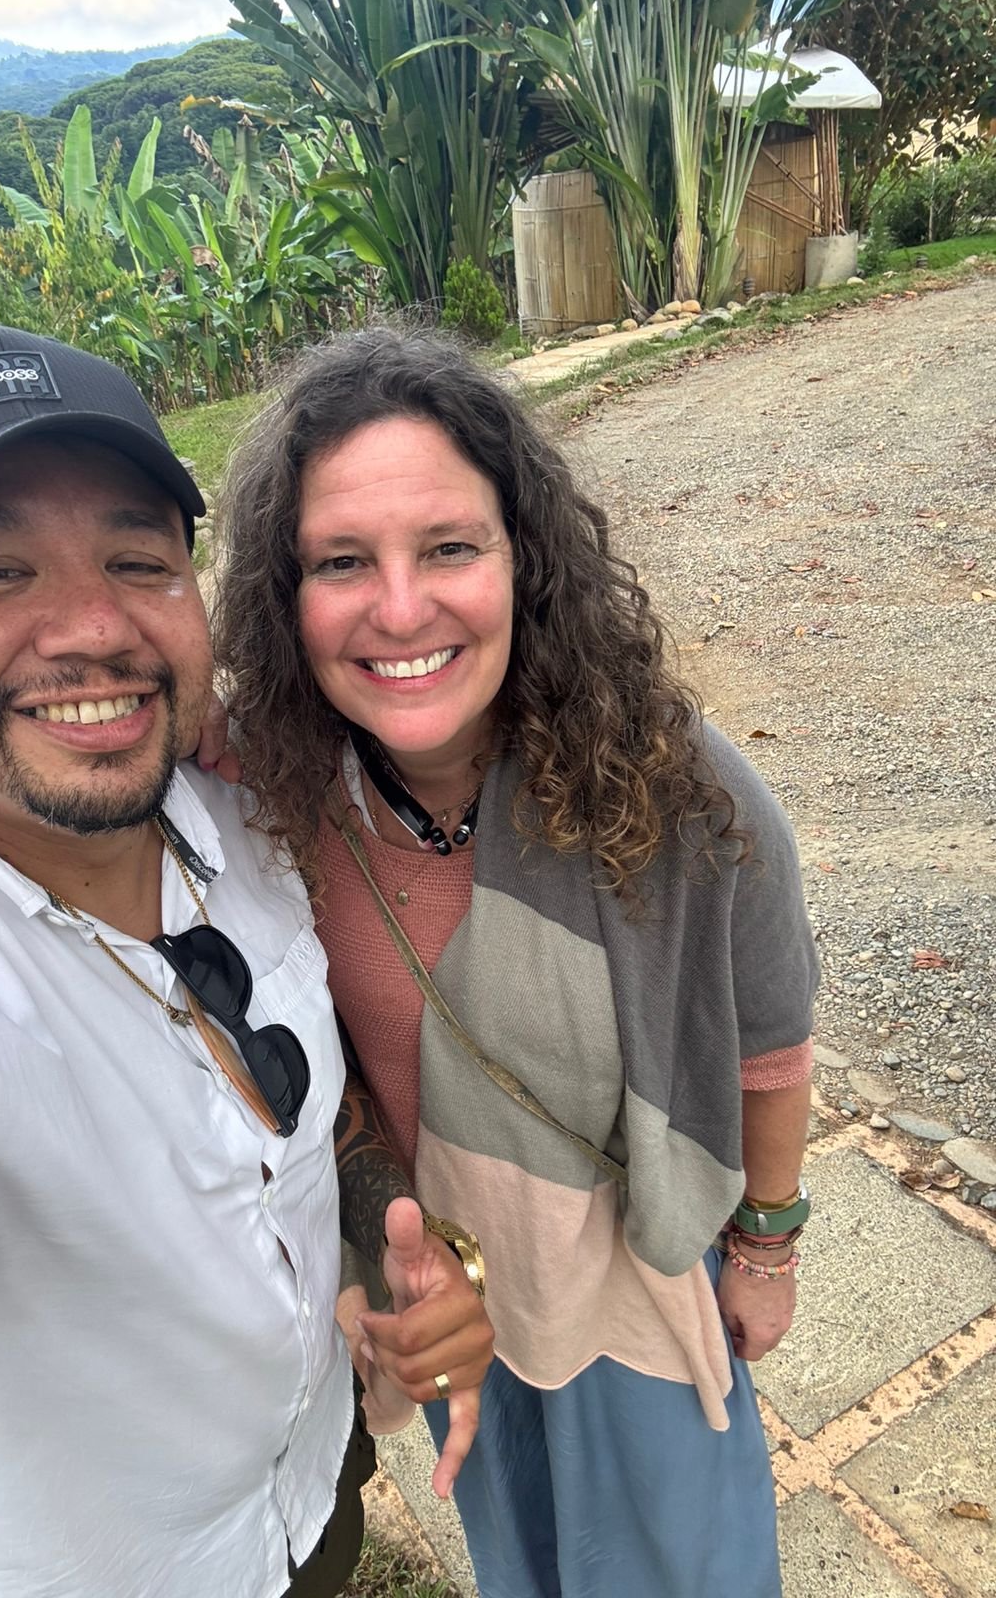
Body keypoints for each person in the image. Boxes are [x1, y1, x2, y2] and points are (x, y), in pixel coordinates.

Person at [0, 326, 493, 1598]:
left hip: (310, 1499)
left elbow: (309, 1118)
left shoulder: (240, 819)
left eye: (136, 559)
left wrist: (399, 1243)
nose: (93, 627)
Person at [213, 328, 819, 1598]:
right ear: (287, 597)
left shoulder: (671, 788)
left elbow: (770, 1042)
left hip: (638, 1301)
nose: (398, 606)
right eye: (340, 561)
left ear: (522, 559)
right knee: (526, 1566)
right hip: (459, 1309)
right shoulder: (274, 802)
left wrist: (765, 1247)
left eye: (447, 546)